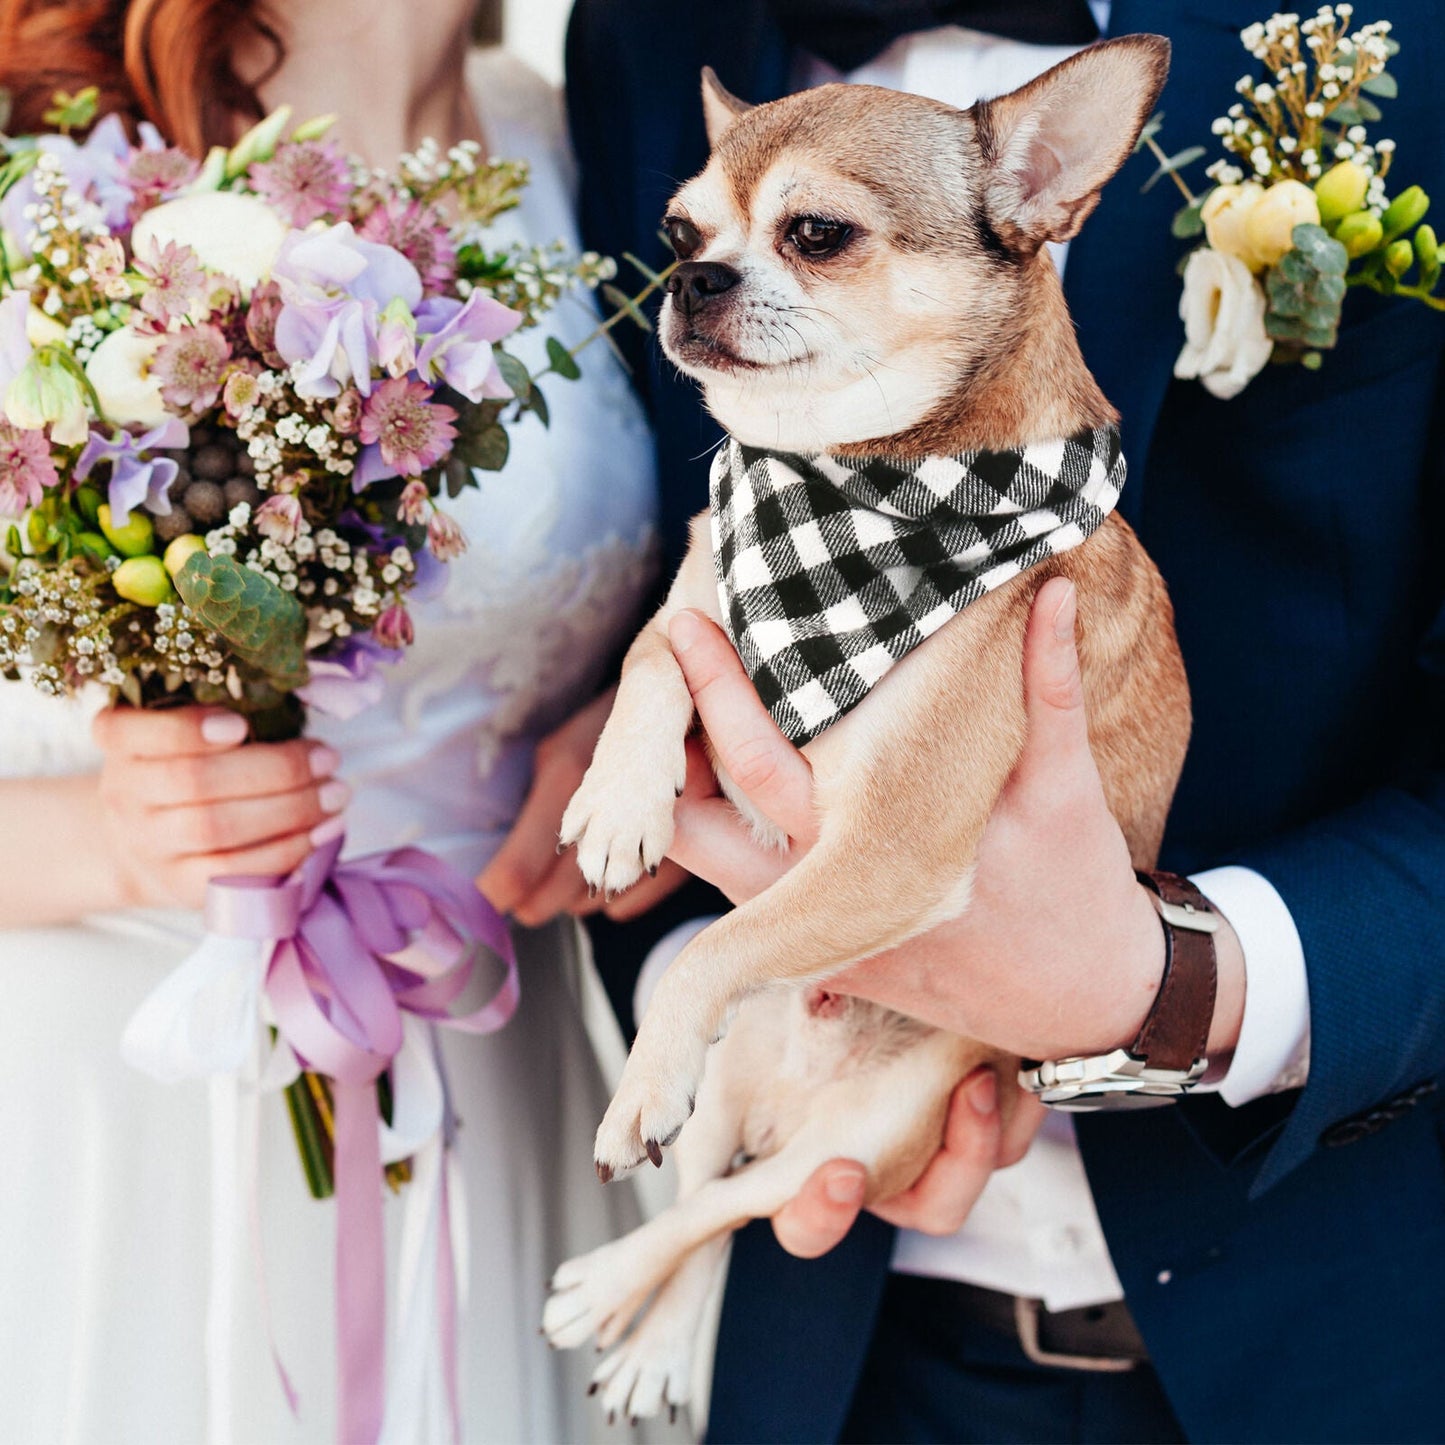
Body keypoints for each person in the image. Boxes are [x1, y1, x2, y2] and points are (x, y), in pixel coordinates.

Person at [557, 0, 1445, 1440]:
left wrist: (1180, 984)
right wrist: (699, 952)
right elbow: (656, 549)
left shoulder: (1399, 42)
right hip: (836, 1326)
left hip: (1346, 1314)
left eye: (817, 237)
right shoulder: (643, 38)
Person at [0, 2, 673, 1440]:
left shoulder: (589, 147)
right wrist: (111, 837)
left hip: (495, 1068)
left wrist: (644, 722)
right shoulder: (42, 145)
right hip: (134, 1103)